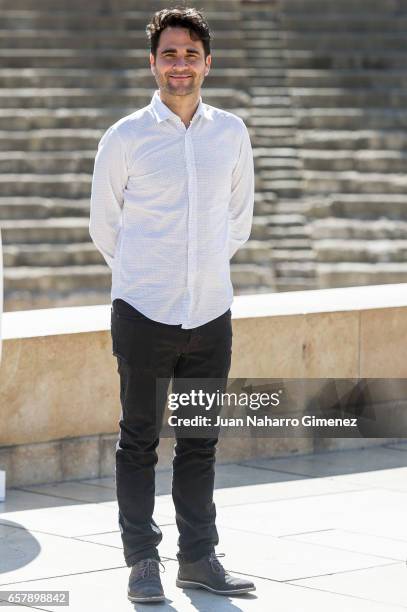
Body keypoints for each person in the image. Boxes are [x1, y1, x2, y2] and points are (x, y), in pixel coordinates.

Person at [89, 6, 255, 603]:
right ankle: (141, 561)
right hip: (142, 314)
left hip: (211, 313)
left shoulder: (232, 133)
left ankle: (198, 557)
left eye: (190, 53)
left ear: (207, 62)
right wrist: (148, 278)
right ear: (152, 63)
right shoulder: (125, 137)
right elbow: (104, 227)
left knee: (200, 440)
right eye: (169, 53)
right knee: (138, 441)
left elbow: (239, 220)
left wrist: (200, 273)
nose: (179, 64)